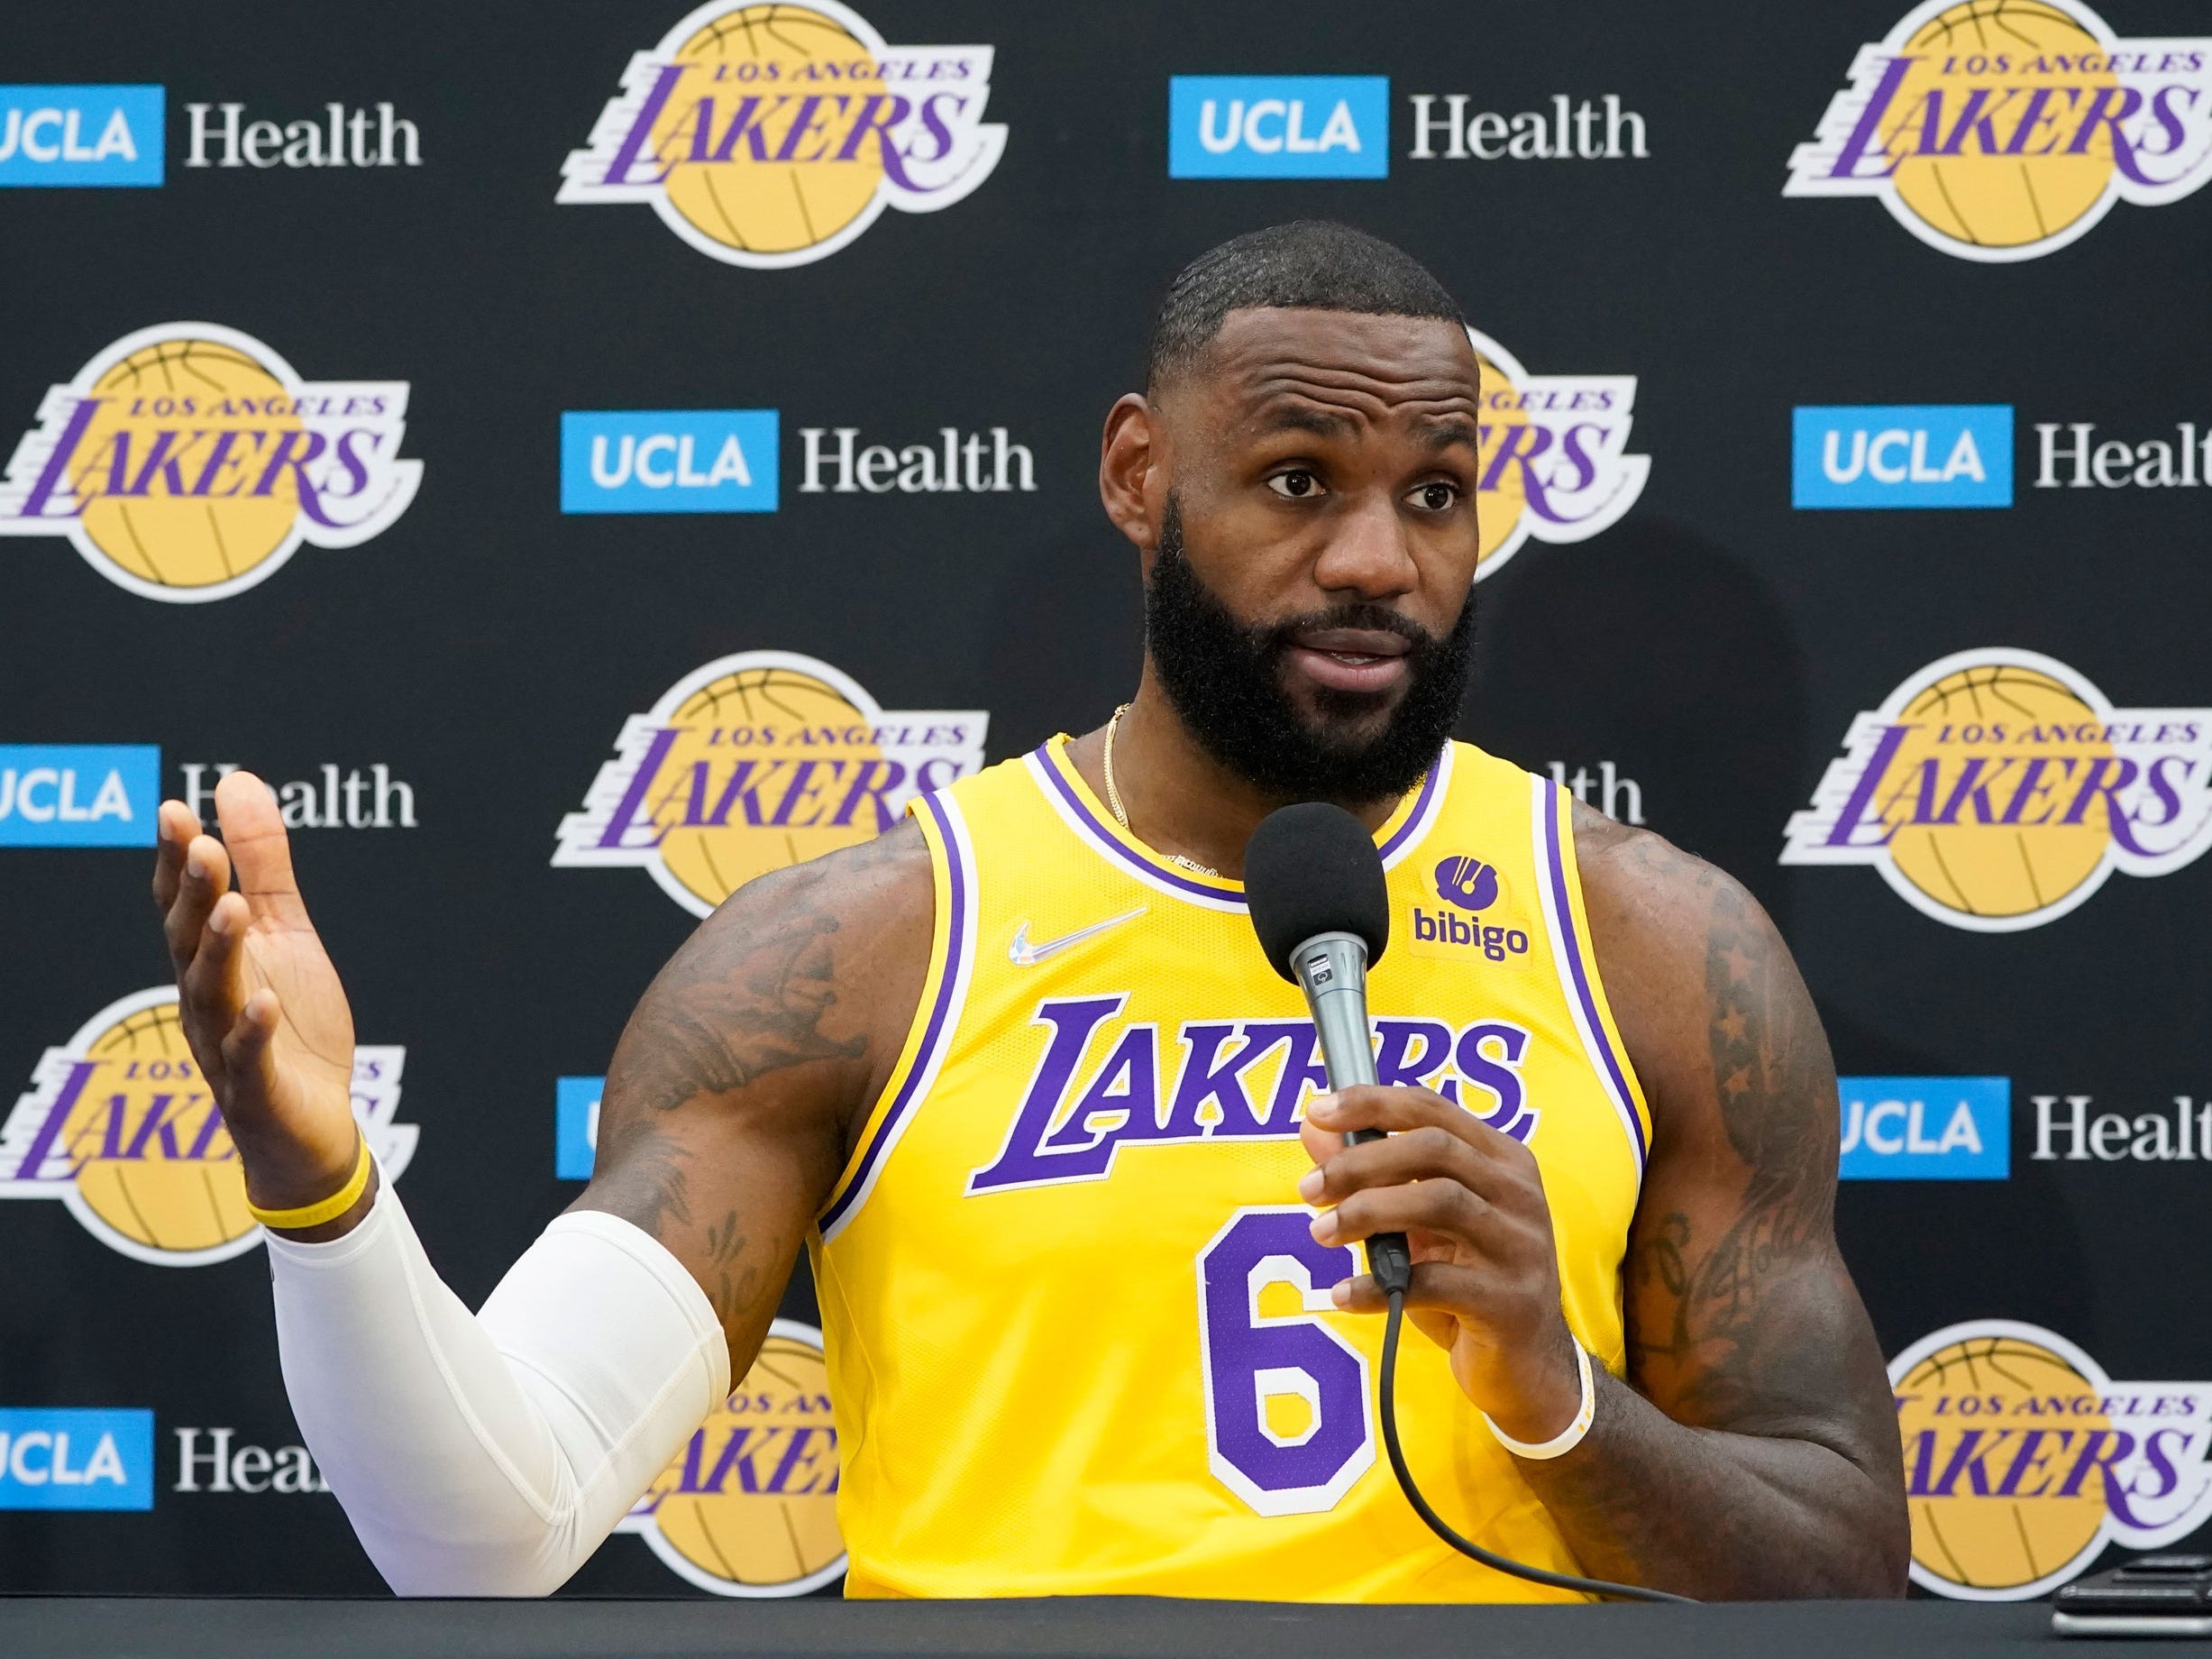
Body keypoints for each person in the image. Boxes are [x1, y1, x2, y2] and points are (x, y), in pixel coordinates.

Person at [151, 221, 1907, 1601]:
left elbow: (1844, 1568)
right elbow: (486, 1528)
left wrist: (1553, 1388)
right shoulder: (853, 959)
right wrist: (326, 1198)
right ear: (1141, 475)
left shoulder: (1656, 947)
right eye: (1302, 478)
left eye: (1434, 493)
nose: (1380, 555)